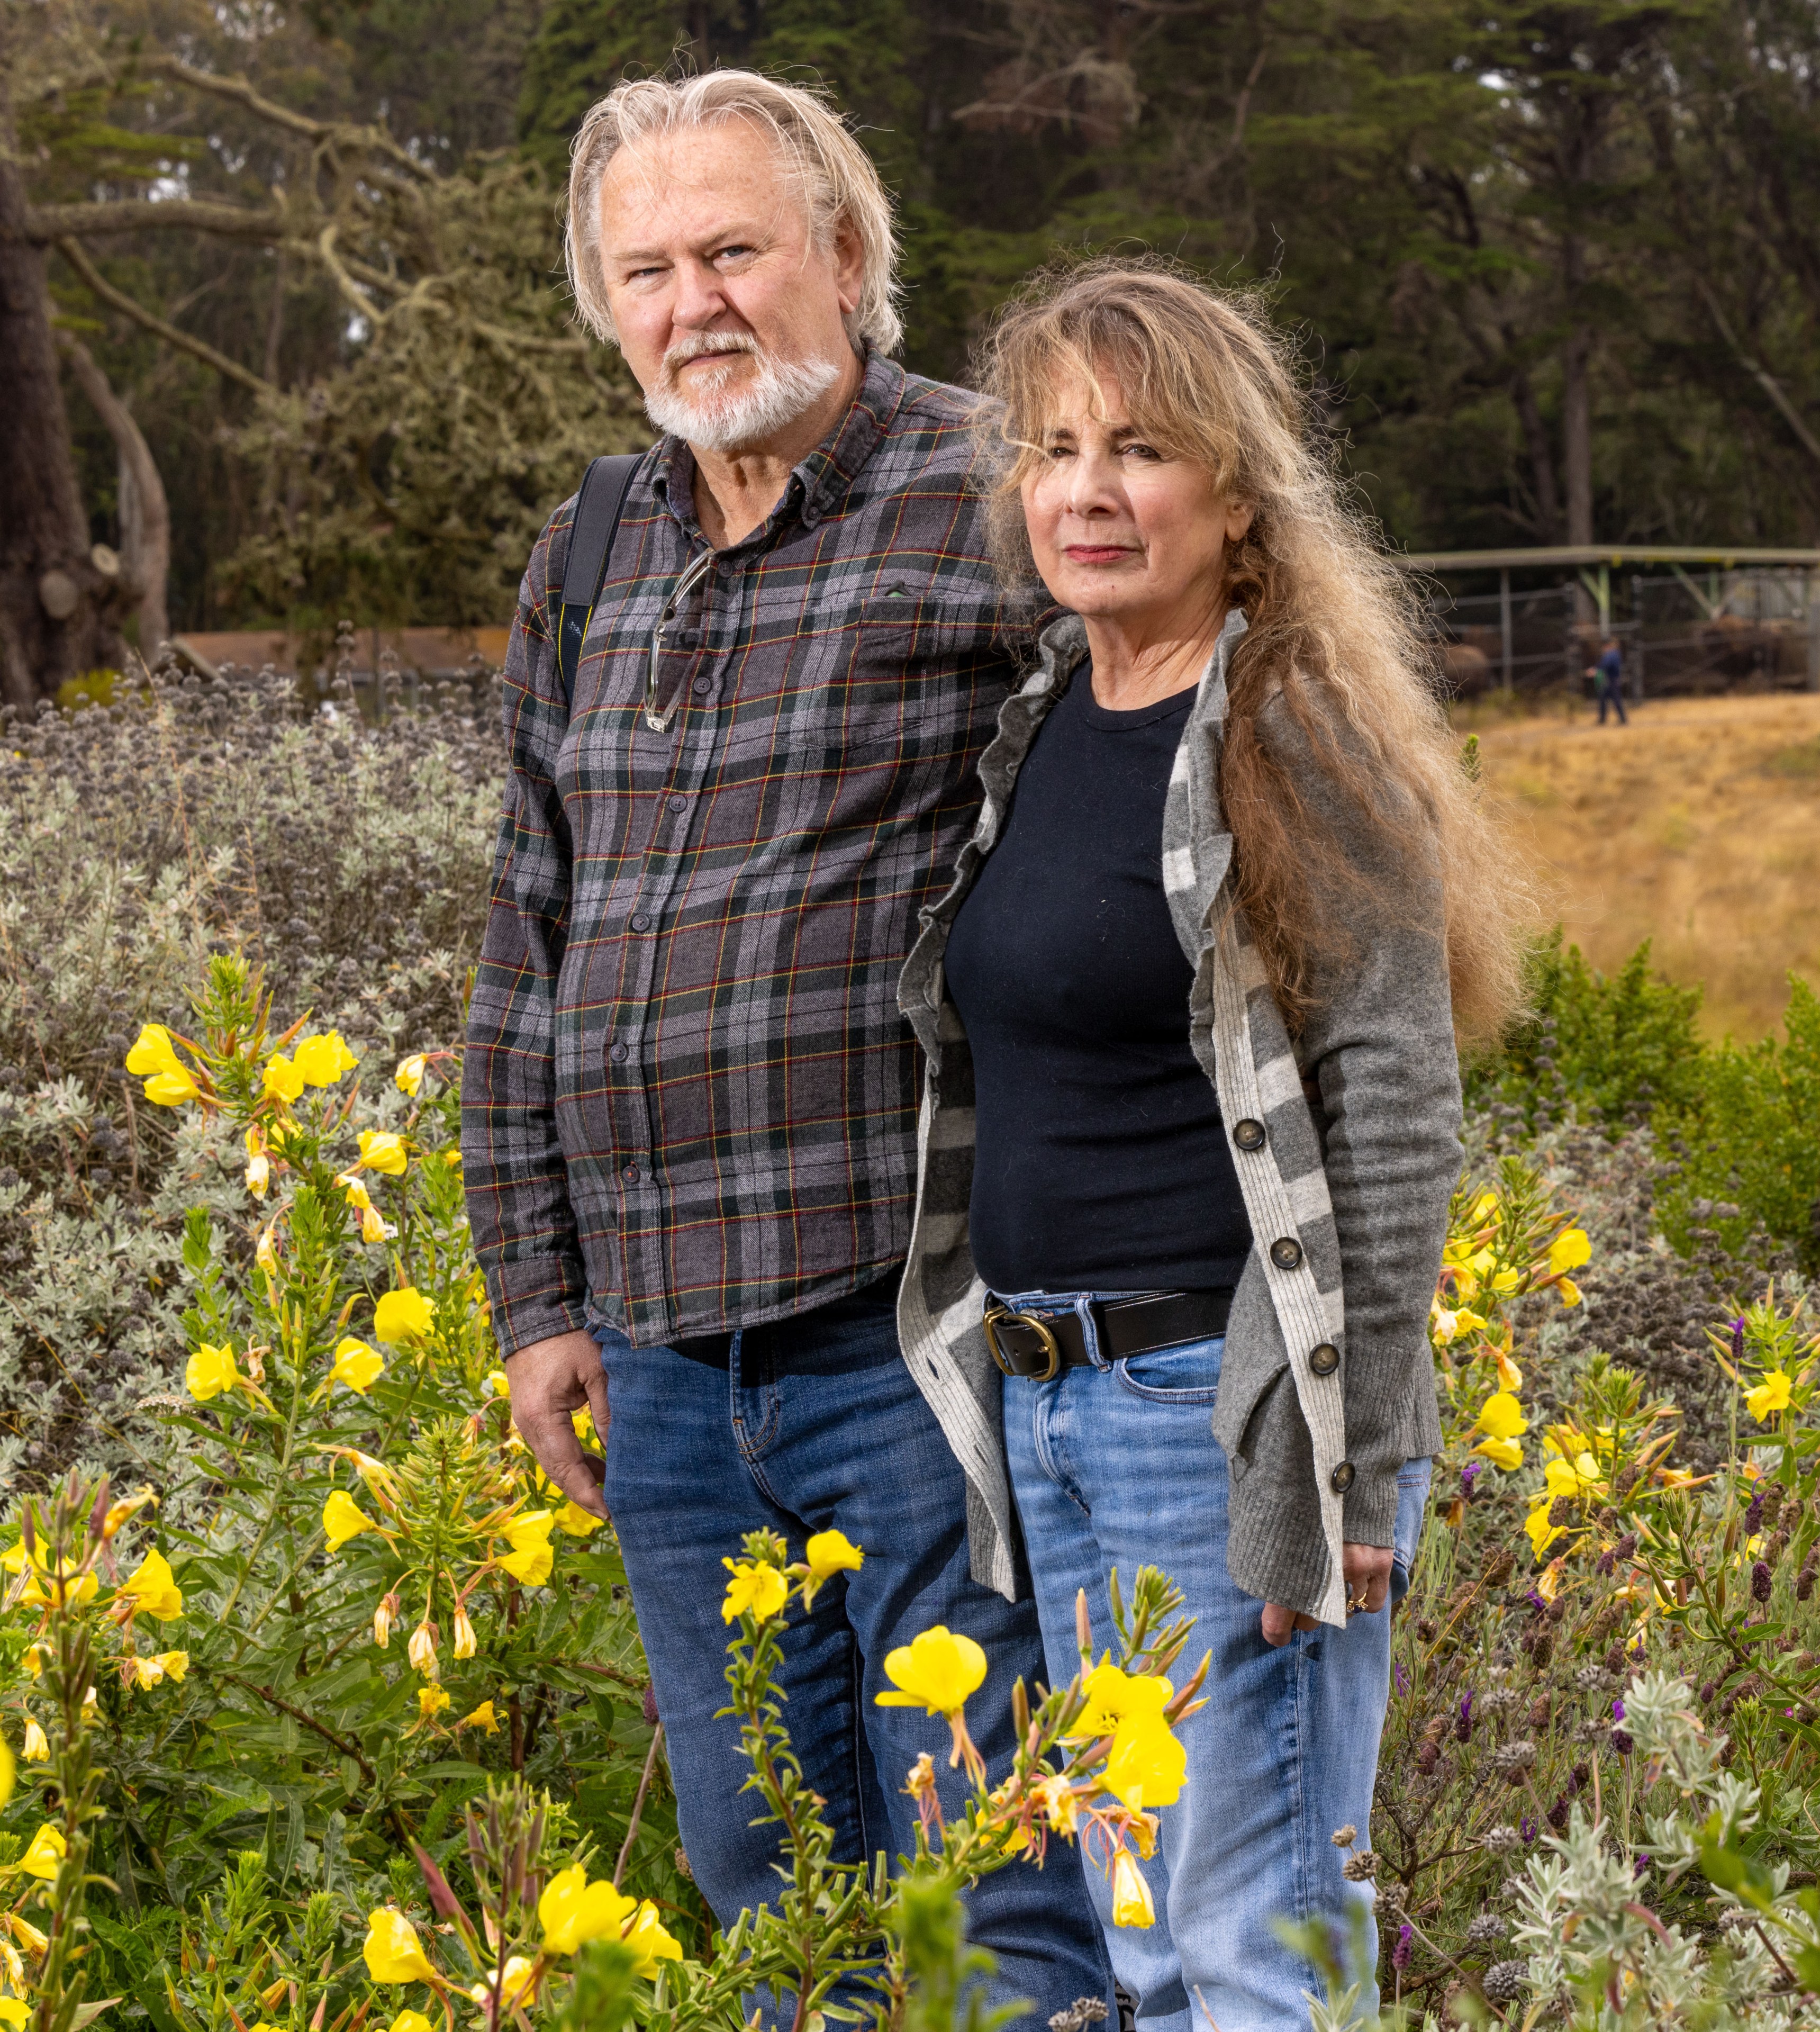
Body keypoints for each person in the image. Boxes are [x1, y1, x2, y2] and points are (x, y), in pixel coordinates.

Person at [461, 73, 1113, 2025]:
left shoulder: (1002, 493)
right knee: (775, 1913)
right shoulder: (593, 546)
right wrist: (528, 1297)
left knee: (997, 1895)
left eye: (736, 249)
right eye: (647, 270)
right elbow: (527, 940)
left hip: (919, 1332)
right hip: (661, 1371)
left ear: (847, 254)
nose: (696, 305)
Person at [892, 263, 1527, 2030]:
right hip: (1046, 1408)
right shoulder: (1032, 729)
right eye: (1053, 448)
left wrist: (1352, 1457)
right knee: (1143, 1938)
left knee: (1254, 1945)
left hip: (1217, 1408)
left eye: (1141, 448)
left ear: (1235, 496)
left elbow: (1393, 1108)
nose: (1087, 491)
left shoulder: (1285, 736)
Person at [1592, 634, 1627, 724]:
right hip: (1611, 681)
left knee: (1615, 700)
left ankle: (1622, 719)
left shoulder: (1612, 654)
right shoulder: (1614, 654)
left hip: (1612, 681)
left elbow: (1605, 665)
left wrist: (1595, 670)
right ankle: (1604, 719)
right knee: (1605, 698)